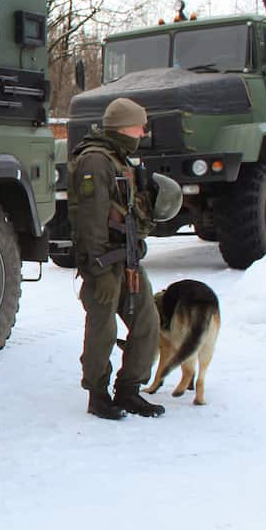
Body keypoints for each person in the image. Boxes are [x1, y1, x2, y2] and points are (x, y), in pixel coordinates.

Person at [68, 97, 165, 420]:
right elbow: (90, 220)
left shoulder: (119, 159)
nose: (143, 131)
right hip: (105, 263)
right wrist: (97, 270)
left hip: (127, 259)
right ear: (124, 127)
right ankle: (97, 394)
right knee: (102, 329)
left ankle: (129, 389)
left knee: (147, 322)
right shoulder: (95, 162)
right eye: (139, 125)